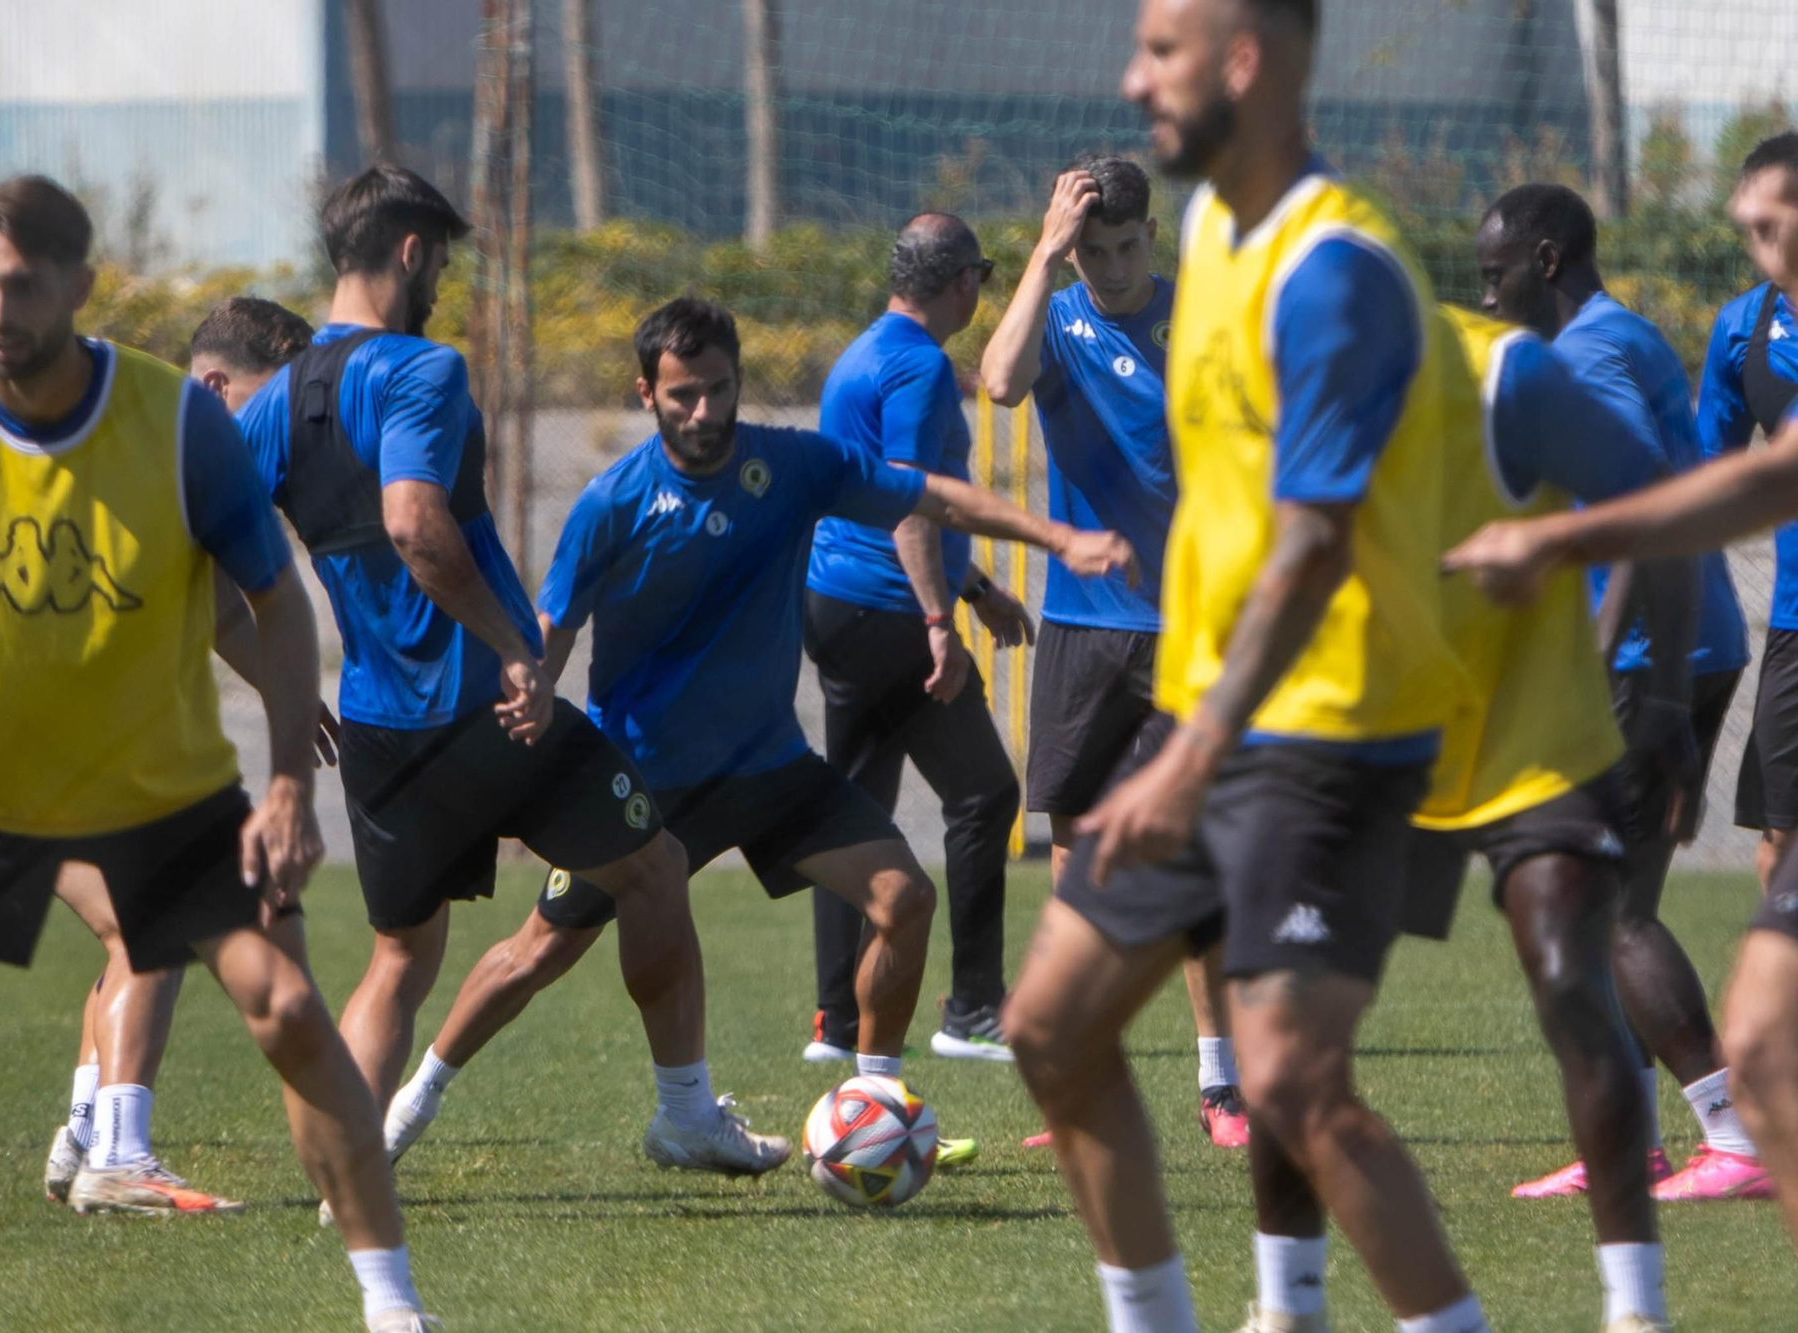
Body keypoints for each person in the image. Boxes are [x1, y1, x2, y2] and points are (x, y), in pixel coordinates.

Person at [0, 175, 434, 1332]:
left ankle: (390, 1304)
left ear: (80, 286)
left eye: (24, 284)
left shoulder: (179, 421)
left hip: (161, 795)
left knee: (289, 1008)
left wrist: (287, 781)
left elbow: (275, 604)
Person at [370, 297, 1130, 1178]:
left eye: (720, 390)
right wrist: (534, 687)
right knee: (535, 954)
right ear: (646, 393)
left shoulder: (793, 465)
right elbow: (554, 621)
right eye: (684, 394)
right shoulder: (613, 502)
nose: (705, 412)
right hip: (644, 784)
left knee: (904, 899)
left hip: (771, 769)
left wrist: (1057, 535)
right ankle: (407, 1109)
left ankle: (871, 1109)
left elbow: (928, 495)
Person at [1003, 1, 1495, 1330]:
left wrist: (1194, 747)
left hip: (1335, 728)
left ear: (1245, 61)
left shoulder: (1334, 269)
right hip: (1215, 714)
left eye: (1159, 49)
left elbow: (1314, 548)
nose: (1130, 74)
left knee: (1296, 1086)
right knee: (1050, 1026)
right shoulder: (1219, 229)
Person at [234, 166, 783, 1186]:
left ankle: (348, 1179)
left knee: (399, 957)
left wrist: (281, 690)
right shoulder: (418, 371)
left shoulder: (272, 405)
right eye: (440, 258)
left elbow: (206, 556)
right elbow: (413, 523)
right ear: (409, 251)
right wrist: (514, 647)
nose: (442, 278)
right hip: (479, 705)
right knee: (653, 868)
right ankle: (685, 1113)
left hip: (374, 726)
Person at [1446, 126, 1798, 1259]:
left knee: (1606, 909)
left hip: (1650, 657)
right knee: (1586, 904)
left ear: (1545, 258)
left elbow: (1644, 514)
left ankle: (1726, 1133)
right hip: (1675, 647)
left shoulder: (1590, 356)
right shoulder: (1618, 337)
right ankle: (1638, 1140)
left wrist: (1608, 668)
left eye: (1493, 272)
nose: (1482, 291)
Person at [1400, 303, 1690, 1333]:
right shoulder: (1279, 387)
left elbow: (1653, 503)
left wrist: (1656, 698)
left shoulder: (1527, 370)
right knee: (1294, 1029)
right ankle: (1288, 1298)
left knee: (1586, 963)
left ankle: (1640, 1293)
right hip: (1387, 740)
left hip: (1540, 727)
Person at [40, 295, 337, 1214]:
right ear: (215, 386)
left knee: (152, 923)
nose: (280, 428)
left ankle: (88, 1134)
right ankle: (117, 1153)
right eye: (267, 402)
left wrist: (293, 695)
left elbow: (210, 613)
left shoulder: (173, 451)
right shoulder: (167, 450)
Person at [978, 152, 1246, 1149]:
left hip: (1191, 626)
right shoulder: (1054, 311)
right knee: (1076, 856)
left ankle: (1221, 1086)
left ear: (1151, 237)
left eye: (1122, 247)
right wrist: (1044, 255)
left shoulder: (1200, 315)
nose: (1109, 267)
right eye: (1091, 250)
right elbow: (999, 382)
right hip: (1084, 625)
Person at [803, 212, 1031, 1064]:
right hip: (887, 611)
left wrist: (975, 588)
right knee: (984, 795)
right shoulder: (922, 366)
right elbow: (905, 503)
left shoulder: (863, 352)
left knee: (849, 814)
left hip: (835, 605)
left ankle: (833, 1022)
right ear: (964, 282)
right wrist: (942, 623)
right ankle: (972, 1010)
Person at [1698, 133, 1798, 888]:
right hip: (1795, 623)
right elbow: (1712, 479)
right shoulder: (1742, 328)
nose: (1752, 237)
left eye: (1768, 220)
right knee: (1782, 840)